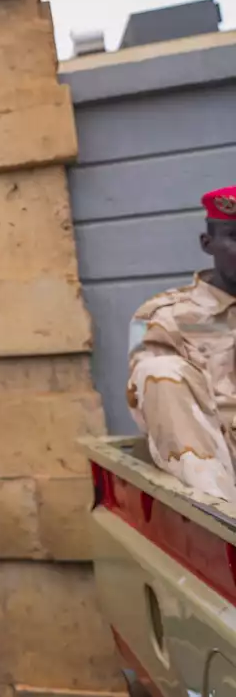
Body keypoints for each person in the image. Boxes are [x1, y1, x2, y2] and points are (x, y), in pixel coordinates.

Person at [128, 185, 236, 502]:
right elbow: (151, 404)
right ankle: (223, 523)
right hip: (218, 470)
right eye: (235, 237)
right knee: (158, 371)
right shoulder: (161, 315)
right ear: (208, 243)